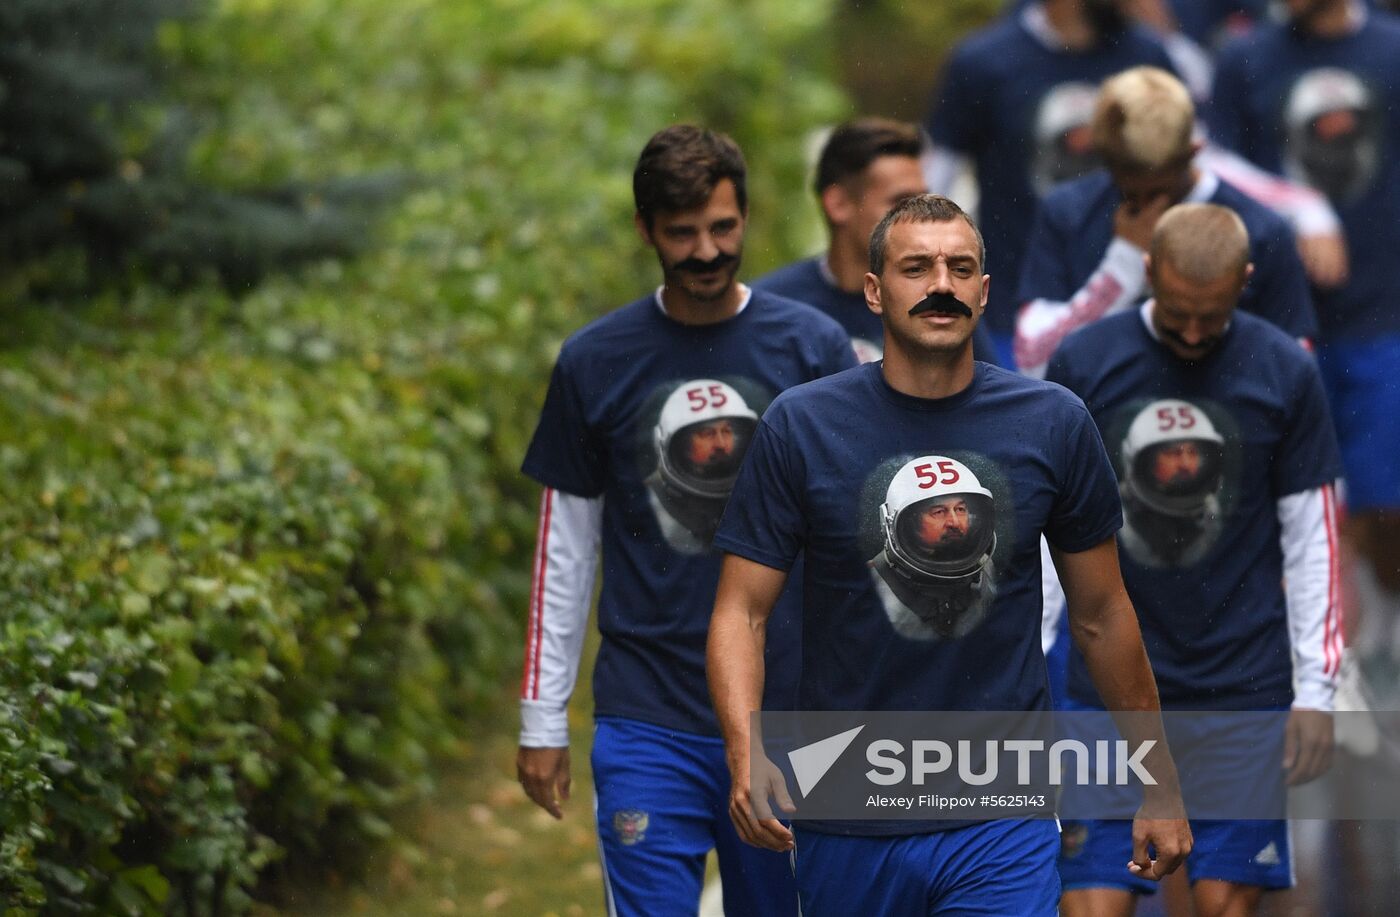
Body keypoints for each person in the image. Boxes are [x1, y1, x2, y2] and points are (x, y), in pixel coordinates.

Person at [707, 194, 1191, 915]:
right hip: (846, 805)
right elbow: (741, 612)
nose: (942, 283)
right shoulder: (801, 426)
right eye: (917, 267)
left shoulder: (1053, 423)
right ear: (874, 290)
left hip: (1001, 809)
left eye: (961, 267)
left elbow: (1103, 614)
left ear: (983, 290)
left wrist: (1158, 779)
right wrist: (746, 751)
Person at [516, 124, 855, 917]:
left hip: (793, 717)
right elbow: (563, 549)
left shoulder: (813, 348)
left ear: (747, 218)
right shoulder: (595, 361)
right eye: (682, 233)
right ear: (645, 232)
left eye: (723, 228)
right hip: (647, 715)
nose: (707, 250)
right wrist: (542, 718)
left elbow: (856, 537)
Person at [1045, 204, 1343, 916]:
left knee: (1221, 904)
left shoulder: (1283, 369)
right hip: (1106, 688)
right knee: (1093, 904)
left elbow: (1313, 536)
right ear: (1148, 270)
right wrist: (1026, 675)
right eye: (1175, 312)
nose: (1190, 334)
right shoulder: (1084, 363)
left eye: (1210, 317)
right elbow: (1044, 532)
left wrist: (1317, 692)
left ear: (1246, 280)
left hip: (1241, 684)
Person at [1210, 0, 1400, 655]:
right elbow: (1214, 165)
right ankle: (1333, 647)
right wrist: (1303, 208)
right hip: (1287, 318)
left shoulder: (1390, 48)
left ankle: (1384, 615)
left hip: (1386, 311)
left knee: (1385, 495)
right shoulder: (1244, 58)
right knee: (1304, 496)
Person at [1014, 66, 1318, 377]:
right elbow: (1033, 363)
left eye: (1161, 190)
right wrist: (1124, 264)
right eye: (1129, 192)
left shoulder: (1262, 231)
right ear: (1107, 161)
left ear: (1193, 153)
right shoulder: (1068, 212)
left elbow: (1296, 376)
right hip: (1096, 420)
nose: (1149, 208)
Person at [923, 0, 1179, 365]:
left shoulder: (1147, 54)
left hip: (1139, 314)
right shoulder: (983, 61)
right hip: (1015, 308)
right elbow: (935, 185)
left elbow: (1193, 153)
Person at [755, 117, 999, 365]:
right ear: (838, 204)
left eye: (922, 201)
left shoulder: (941, 302)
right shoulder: (771, 309)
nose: (921, 218)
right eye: (902, 202)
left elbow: (991, 392)